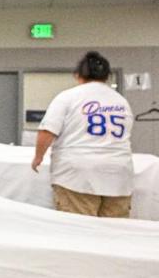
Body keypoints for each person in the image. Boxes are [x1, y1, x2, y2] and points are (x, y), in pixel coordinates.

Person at [32, 51, 134, 218]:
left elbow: (47, 130)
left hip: (77, 175)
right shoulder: (121, 101)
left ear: (77, 75)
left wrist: (38, 157)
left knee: (80, 233)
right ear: (107, 76)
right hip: (118, 174)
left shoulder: (68, 97)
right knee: (115, 234)